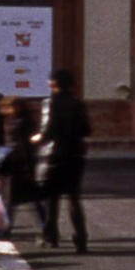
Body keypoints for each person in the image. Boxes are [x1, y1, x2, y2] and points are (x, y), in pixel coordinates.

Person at [35, 69, 91, 253]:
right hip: (75, 154)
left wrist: (36, 139)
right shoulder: (78, 104)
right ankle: (81, 239)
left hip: (55, 154)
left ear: (53, 83)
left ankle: (50, 236)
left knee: (51, 197)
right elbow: (86, 129)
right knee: (74, 197)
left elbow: (48, 130)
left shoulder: (49, 103)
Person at [0, 97, 45, 235]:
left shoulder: (21, 122)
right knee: (30, 198)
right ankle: (44, 226)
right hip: (19, 162)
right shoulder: (13, 121)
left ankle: (6, 229)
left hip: (20, 163)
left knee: (13, 199)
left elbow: (21, 144)